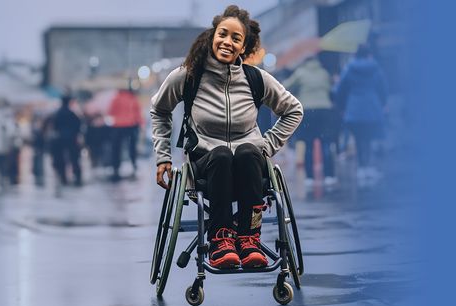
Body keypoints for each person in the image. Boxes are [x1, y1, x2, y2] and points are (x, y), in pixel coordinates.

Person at [151, 5, 303, 269]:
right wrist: (163, 156)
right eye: (223, 34)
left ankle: (249, 238)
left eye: (236, 38)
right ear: (213, 36)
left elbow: (294, 110)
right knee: (221, 154)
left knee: (248, 151)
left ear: (243, 47)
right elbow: (159, 109)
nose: (227, 42)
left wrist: (268, 145)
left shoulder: (256, 79)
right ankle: (221, 240)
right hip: (206, 163)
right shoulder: (189, 75)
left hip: (249, 164)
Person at [333, 44, 387, 187]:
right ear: (369, 54)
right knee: (368, 137)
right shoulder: (375, 68)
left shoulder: (349, 69)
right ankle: (367, 167)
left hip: (354, 108)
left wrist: (342, 107)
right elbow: (383, 87)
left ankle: (361, 168)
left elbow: (340, 90)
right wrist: (382, 103)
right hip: (372, 107)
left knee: (358, 138)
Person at [283, 57, 339, 189]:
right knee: (326, 143)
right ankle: (329, 176)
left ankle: (309, 177)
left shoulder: (300, 73)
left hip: (307, 111)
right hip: (325, 110)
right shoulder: (324, 73)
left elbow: (285, 87)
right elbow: (330, 88)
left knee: (308, 144)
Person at [107, 87, 143, 181]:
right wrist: (140, 124)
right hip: (131, 125)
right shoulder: (132, 98)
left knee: (116, 149)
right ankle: (134, 165)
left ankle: (116, 168)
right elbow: (138, 113)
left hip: (117, 126)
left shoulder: (115, 98)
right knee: (132, 148)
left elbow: (110, 112)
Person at [51, 95, 84, 187]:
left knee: (61, 158)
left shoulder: (58, 113)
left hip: (60, 138)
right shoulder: (72, 114)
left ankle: (63, 178)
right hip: (71, 138)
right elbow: (78, 124)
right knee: (74, 158)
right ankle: (77, 177)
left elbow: (55, 126)